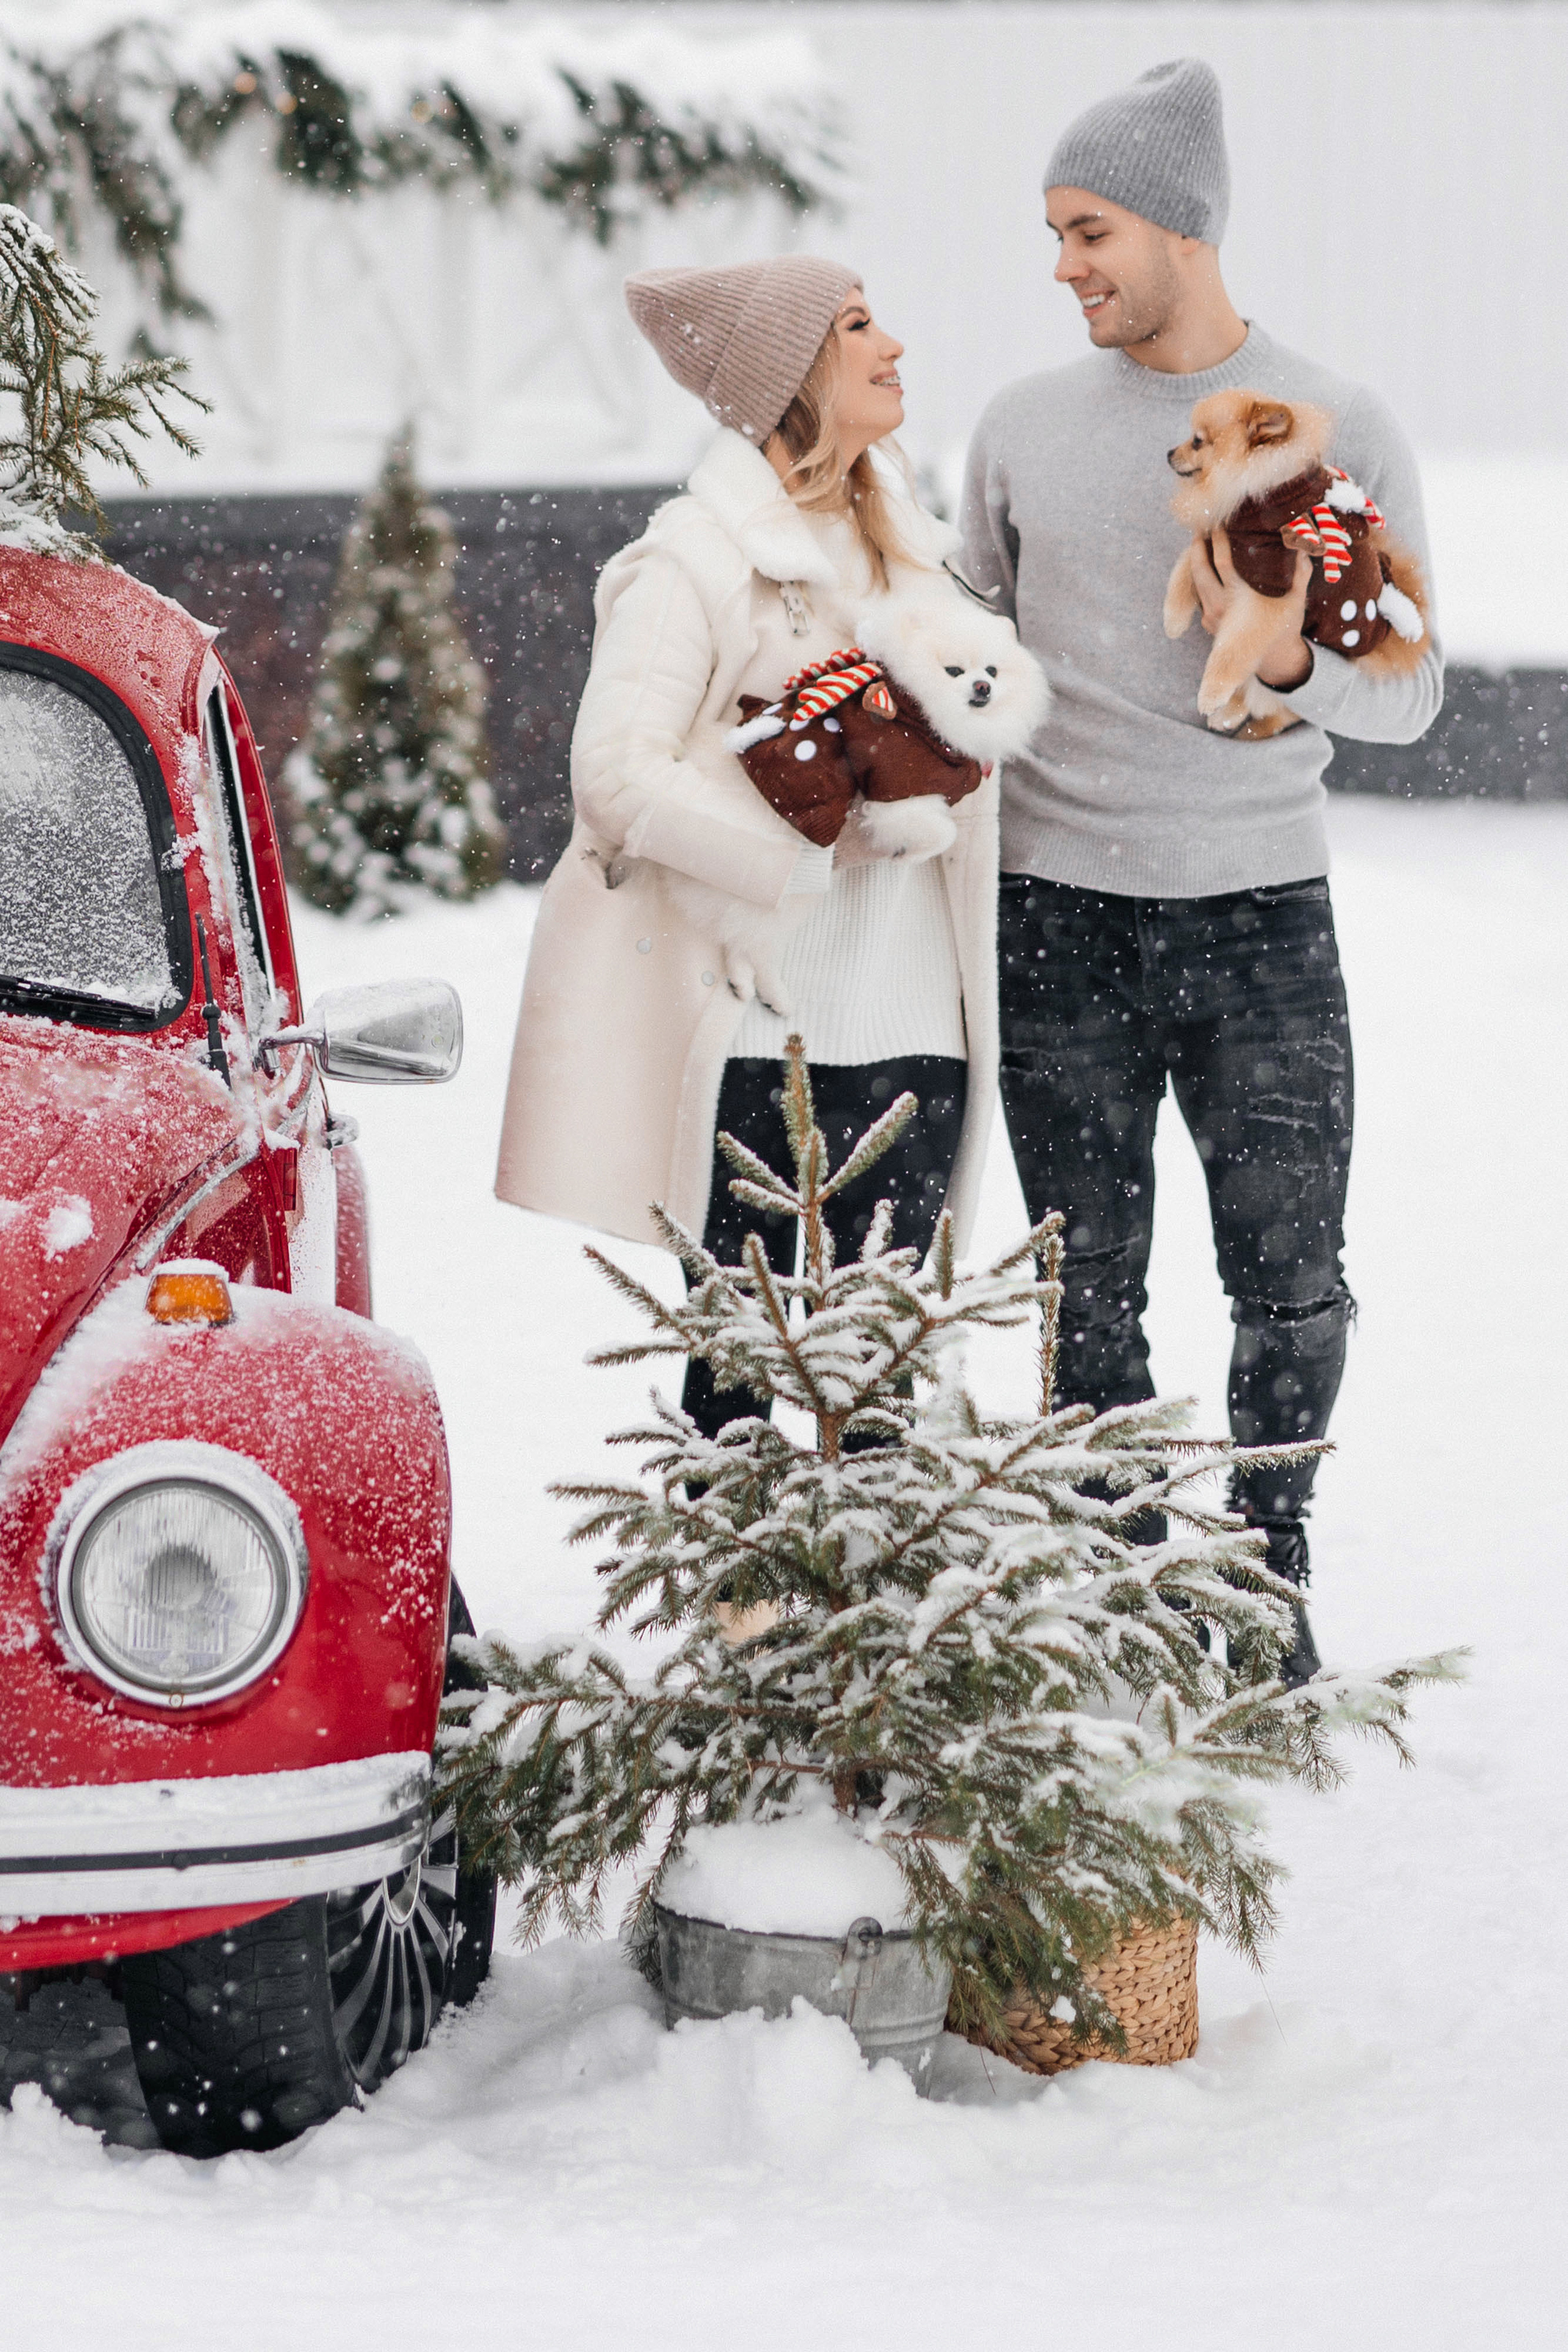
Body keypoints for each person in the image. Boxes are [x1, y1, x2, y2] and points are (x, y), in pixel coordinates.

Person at [961, 59, 1442, 1682]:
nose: (1062, 265)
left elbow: (1411, 695)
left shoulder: (1329, 423)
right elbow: (964, 646)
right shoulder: (1020, 429)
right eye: (1052, 232)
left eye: (1087, 231)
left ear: (1180, 226)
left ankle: (1263, 1568)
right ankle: (1112, 1589)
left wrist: (1288, 656)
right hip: (1055, 916)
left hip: (1259, 919)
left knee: (1292, 1283)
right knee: (1083, 1292)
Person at [497, 257, 1001, 1438]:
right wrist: (801, 857)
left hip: (919, 1023)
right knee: (733, 1395)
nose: (894, 347)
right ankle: (723, 1567)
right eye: (859, 326)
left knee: (879, 1398)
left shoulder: (915, 549)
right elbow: (615, 774)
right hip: (763, 1035)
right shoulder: (698, 558)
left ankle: (876, 1573)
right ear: (795, 373)